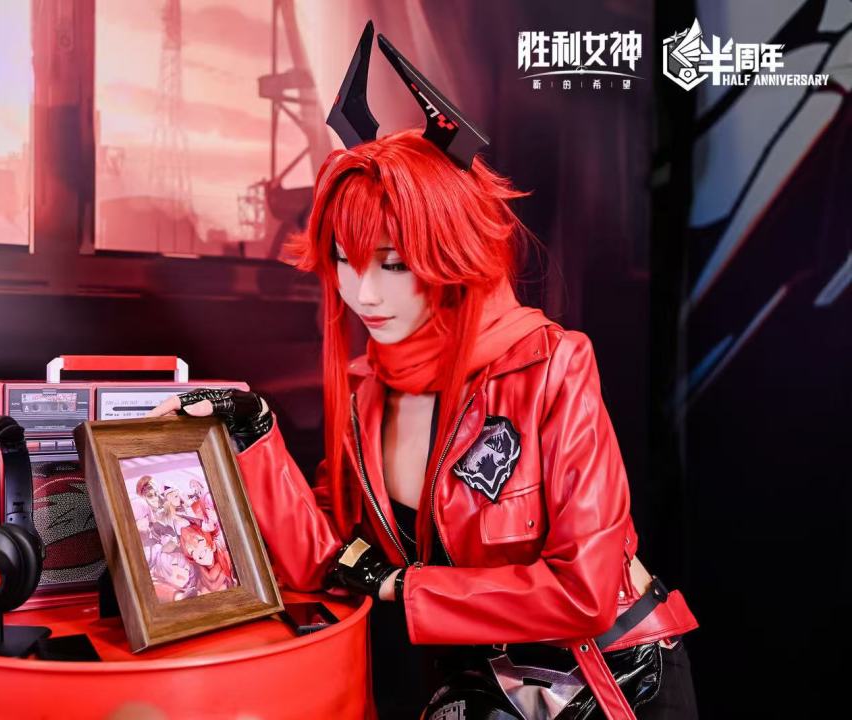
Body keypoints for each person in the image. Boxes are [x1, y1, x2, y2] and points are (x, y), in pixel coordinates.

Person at [148, 23, 698, 720]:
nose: (363, 294)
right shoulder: (367, 391)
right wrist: (255, 436)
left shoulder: (552, 365)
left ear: (450, 253)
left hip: (613, 681)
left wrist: (401, 587)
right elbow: (332, 562)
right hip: (479, 689)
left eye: (392, 264)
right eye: (344, 261)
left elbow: (584, 591)